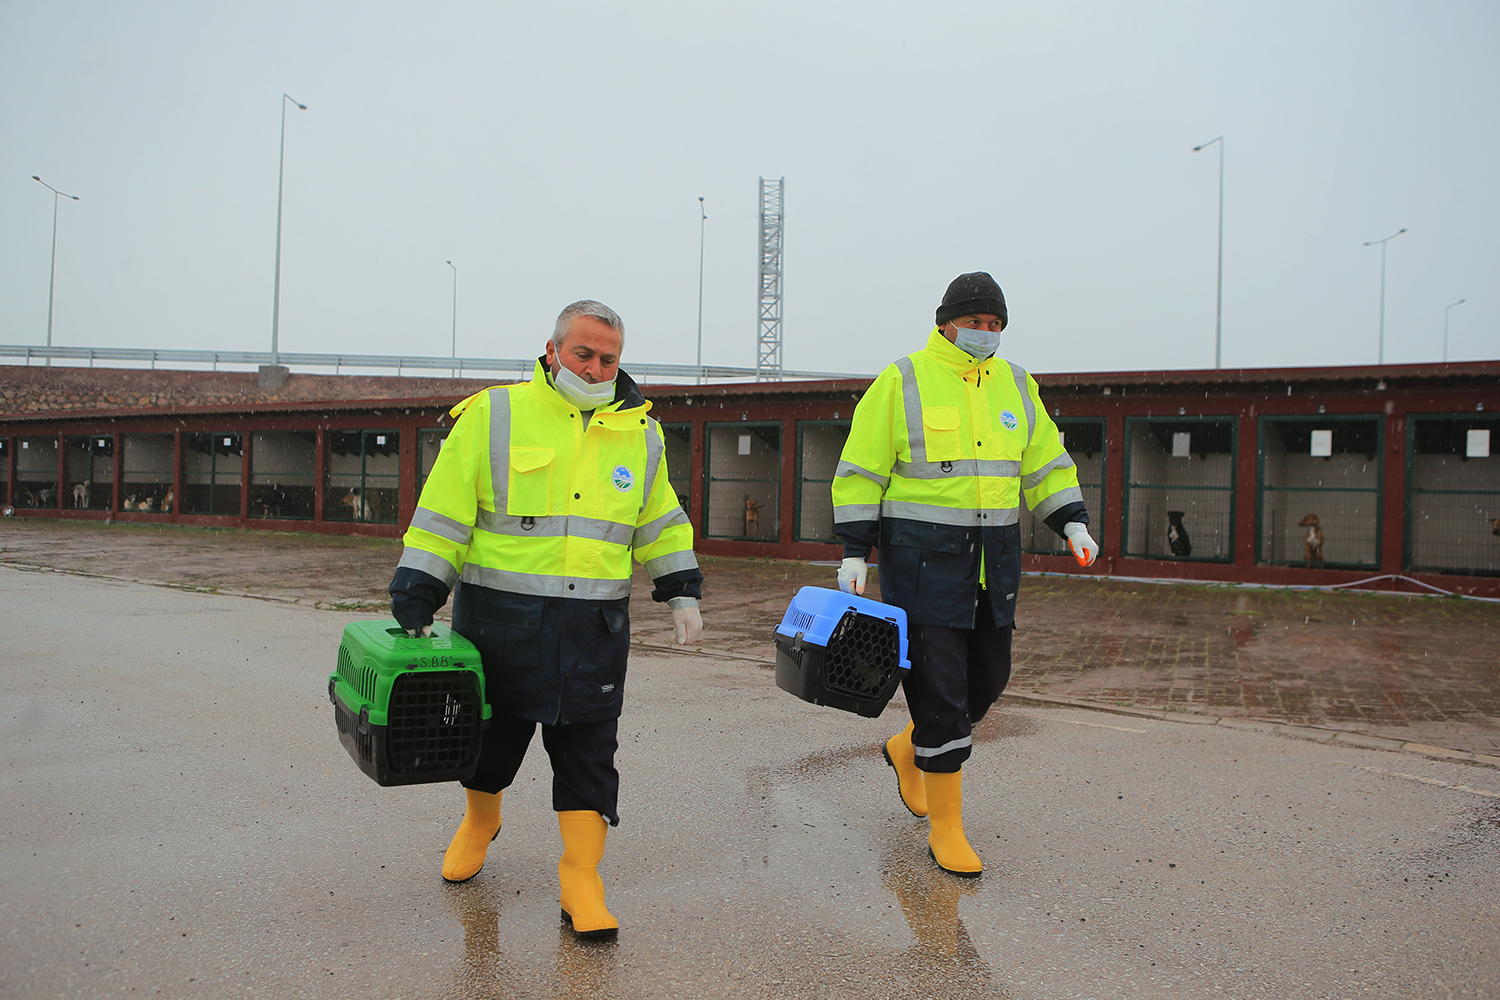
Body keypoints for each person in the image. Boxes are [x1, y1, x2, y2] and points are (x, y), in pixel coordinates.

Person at [388, 299, 704, 939]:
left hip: (594, 632)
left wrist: (681, 589)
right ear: (554, 348)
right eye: (582, 353)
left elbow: (659, 518)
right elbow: (446, 508)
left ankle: (580, 878)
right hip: (500, 623)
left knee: (590, 755)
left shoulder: (641, 432)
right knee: (490, 744)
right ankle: (480, 822)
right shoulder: (494, 415)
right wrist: (420, 586)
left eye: (607, 358)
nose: (593, 368)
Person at [830, 272, 1098, 877]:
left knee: (990, 679)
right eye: (975, 323)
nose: (985, 334)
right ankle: (946, 827)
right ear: (946, 321)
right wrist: (854, 552)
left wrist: (1073, 522)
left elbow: (1046, 464)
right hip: (921, 564)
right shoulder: (902, 380)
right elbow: (860, 471)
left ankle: (909, 746)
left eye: (995, 325)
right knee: (943, 694)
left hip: (993, 565)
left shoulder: (1017, 385)